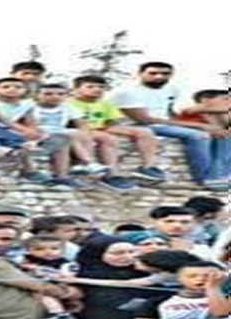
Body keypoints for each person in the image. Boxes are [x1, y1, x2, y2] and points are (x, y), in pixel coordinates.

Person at [113, 62, 231, 191]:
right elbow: (144, 119)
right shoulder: (126, 92)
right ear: (140, 74)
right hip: (139, 125)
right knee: (198, 135)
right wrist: (198, 126)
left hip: (164, 123)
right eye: (153, 73)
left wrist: (194, 125)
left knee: (223, 134)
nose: (159, 76)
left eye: (165, 74)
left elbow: (169, 112)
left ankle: (219, 176)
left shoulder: (171, 89)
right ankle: (204, 179)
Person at [68, 74, 166, 182]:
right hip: (81, 130)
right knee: (108, 138)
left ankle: (148, 167)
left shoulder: (105, 103)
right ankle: (111, 174)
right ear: (76, 89)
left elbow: (112, 122)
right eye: (90, 87)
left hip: (101, 127)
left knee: (145, 132)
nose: (97, 89)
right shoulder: (69, 103)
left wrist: (127, 132)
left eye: (101, 87)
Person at [148, 206, 216, 259]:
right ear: (154, 222)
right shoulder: (141, 244)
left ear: (194, 224)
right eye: (169, 221)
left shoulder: (201, 249)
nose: (177, 225)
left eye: (185, 222)